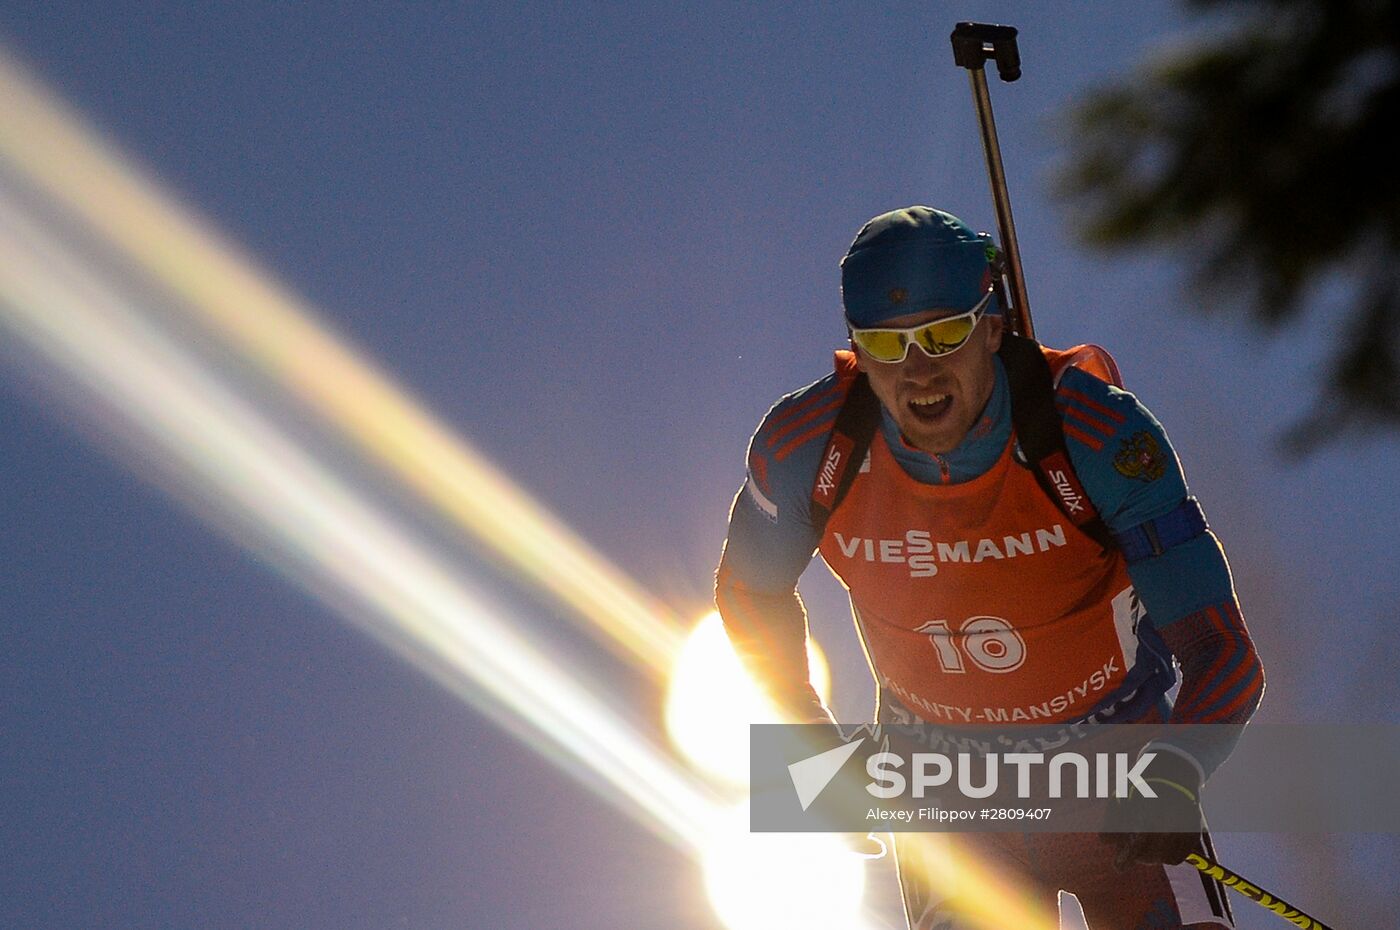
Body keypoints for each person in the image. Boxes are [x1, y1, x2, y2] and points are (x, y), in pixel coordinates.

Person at [714, 206, 1264, 930]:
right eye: (886, 344)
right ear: (856, 348)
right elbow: (749, 596)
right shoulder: (806, 449)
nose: (919, 371)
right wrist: (812, 749)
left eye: (944, 334)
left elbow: (1220, 649)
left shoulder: (1095, 434)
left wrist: (1175, 770)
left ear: (994, 326)